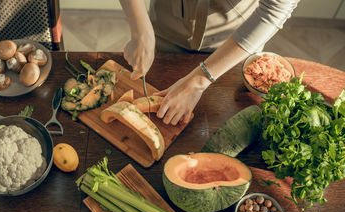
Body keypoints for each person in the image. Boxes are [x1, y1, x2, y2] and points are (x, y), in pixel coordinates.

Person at [119, 0, 299, 125]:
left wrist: (199, 80)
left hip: (235, 44)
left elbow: (275, 9)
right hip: (165, 25)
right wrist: (141, 30)